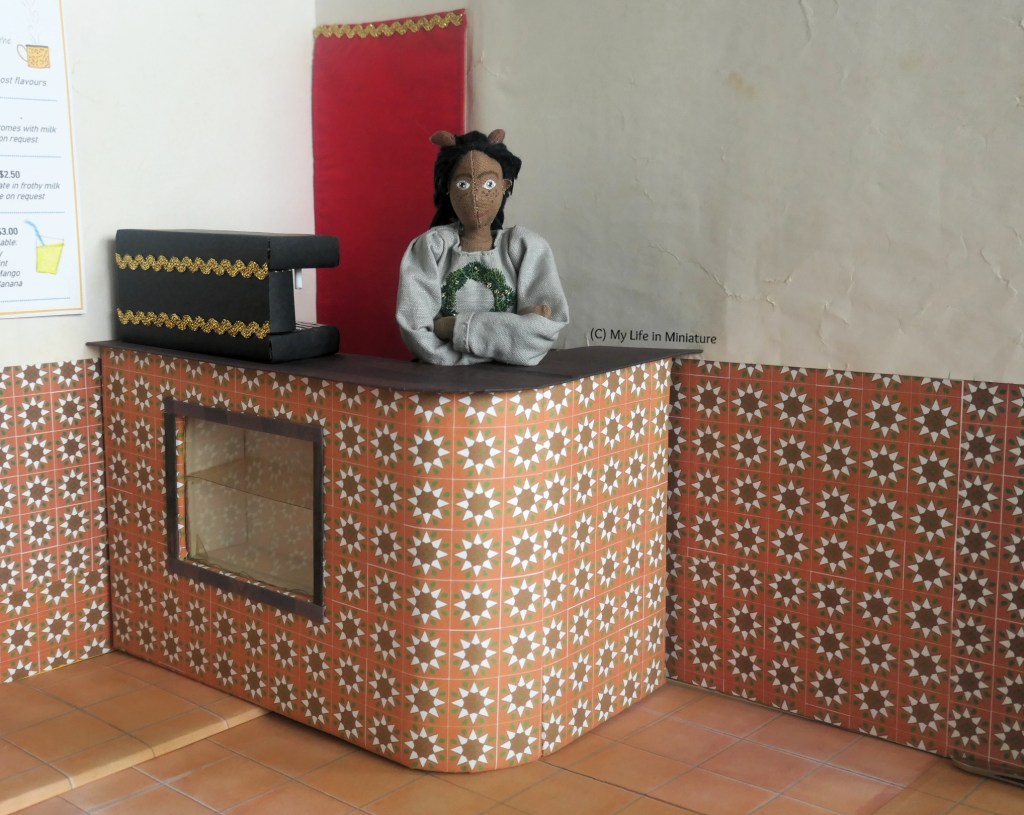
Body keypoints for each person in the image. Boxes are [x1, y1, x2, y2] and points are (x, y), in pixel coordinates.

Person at [395, 129, 569, 365]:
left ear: (505, 186)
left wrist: (451, 327)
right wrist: (512, 328)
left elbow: (545, 329)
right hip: (445, 381)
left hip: (513, 384)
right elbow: (416, 331)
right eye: (463, 184)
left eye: (488, 183)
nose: (476, 195)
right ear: (448, 188)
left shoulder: (526, 249)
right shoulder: (431, 248)